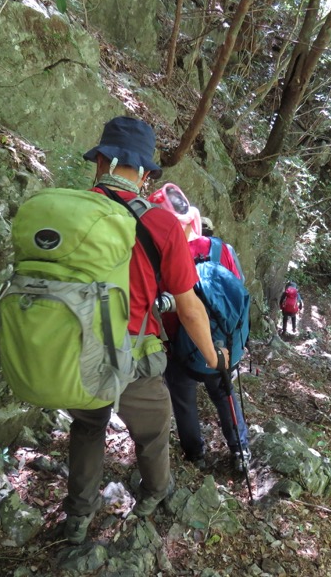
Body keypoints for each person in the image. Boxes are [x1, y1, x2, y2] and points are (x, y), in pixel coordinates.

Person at [62, 117, 229, 545]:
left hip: (79, 350)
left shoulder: (71, 211)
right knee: (154, 432)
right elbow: (189, 307)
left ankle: (79, 517)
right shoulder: (161, 223)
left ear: (100, 161)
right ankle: (154, 494)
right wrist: (214, 359)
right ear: (145, 173)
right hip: (134, 357)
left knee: (87, 428)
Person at [149, 185, 252, 473]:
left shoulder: (161, 261)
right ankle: (240, 449)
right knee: (224, 394)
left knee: (183, 401)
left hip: (181, 351)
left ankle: (195, 454)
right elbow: (239, 295)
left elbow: (162, 313)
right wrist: (240, 342)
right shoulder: (223, 250)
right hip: (223, 346)